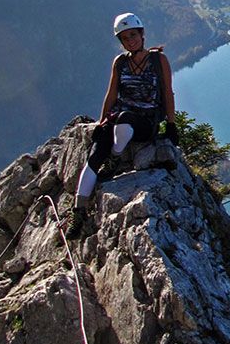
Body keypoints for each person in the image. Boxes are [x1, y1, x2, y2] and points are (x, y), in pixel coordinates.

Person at [65, 12, 178, 238]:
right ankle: (78, 212)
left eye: (133, 35)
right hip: (119, 119)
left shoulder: (158, 60)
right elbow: (112, 92)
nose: (130, 41)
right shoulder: (120, 62)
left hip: (146, 122)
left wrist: (172, 124)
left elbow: (167, 91)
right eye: (125, 38)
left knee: (125, 118)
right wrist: (101, 121)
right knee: (94, 157)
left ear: (142, 34)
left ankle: (116, 157)